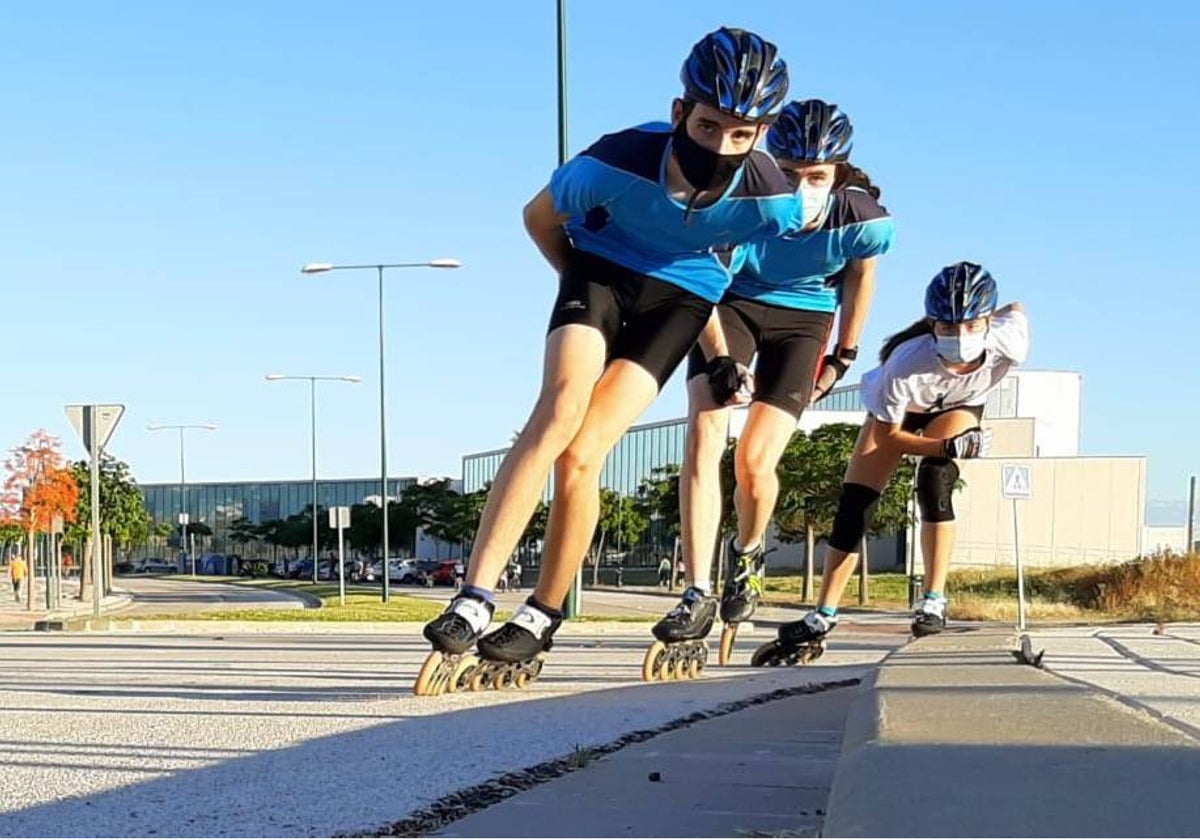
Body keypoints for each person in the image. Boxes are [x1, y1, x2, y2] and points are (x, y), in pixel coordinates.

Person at [418, 27, 802, 688]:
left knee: (584, 453)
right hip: (598, 272)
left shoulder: (772, 201)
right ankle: (476, 597)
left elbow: (737, 275)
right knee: (559, 409)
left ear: (762, 134)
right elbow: (537, 217)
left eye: (741, 134)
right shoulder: (615, 159)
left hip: (680, 300)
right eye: (708, 125)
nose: (719, 146)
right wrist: (578, 284)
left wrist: (719, 355)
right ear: (680, 111)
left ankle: (542, 614)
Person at [650, 100, 894, 652]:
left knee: (754, 462)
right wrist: (719, 359)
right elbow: (700, 278)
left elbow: (860, 282)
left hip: (803, 322)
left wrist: (845, 355)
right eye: (786, 173)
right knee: (704, 433)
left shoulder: (863, 219)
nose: (800, 187)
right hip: (728, 304)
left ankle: (749, 550)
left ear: (838, 176)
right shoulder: (733, 196)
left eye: (816, 177)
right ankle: (694, 589)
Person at [754, 261, 1029, 663]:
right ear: (931, 324)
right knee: (855, 506)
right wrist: (945, 447)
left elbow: (1018, 308)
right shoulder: (906, 363)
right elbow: (891, 438)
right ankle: (823, 613)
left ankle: (934, 599)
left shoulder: (1010, 341)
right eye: (948, 328)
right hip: (900, 418)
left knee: (935, 482)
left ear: (988, 320)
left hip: (960, 406)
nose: (960, 338)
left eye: (971, 325)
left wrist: (948, 450)